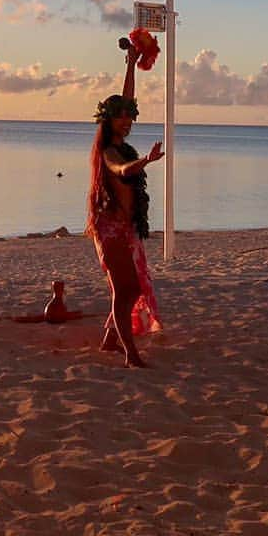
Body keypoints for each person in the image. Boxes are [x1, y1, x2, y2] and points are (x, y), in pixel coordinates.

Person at [85, 45, 164, 367]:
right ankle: (131, 354)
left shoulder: (119, 142)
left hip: (126, 227)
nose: (129, 120)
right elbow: (122, 170)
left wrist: (131, 63)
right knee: (125, 289)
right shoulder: (109, 152)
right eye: (123, 117)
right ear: (110, 121)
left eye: (131, 117)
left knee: (130, 288)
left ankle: (109, 341)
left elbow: (126, 97)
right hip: (110, 229)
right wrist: (145, 160)